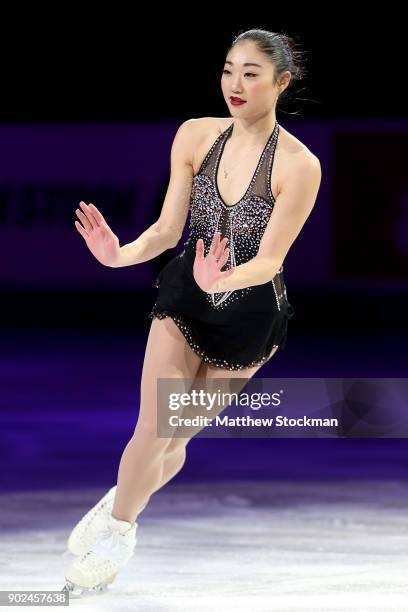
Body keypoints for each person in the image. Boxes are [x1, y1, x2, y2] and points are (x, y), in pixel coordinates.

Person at [62, 28, 322, 597]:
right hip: (185, 298)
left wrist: (226, 277)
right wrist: (120, 256)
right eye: (229, 69)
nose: (235, 84)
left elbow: (271, 258)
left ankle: (119, 499)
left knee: (176, 440)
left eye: (251, 73)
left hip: (250, 315)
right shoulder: (195, 136)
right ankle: (120, 531)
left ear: (281, 82)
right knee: (154, 423)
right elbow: (166, 230)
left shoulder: (300, 166)